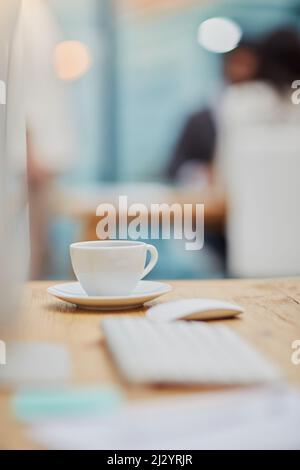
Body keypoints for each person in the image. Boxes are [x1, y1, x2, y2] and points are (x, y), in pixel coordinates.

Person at [24, 0, 74, 279]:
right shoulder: (19, 14)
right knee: (33, 249)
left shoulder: (39, 13)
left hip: (44, 155)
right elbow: (16, 87)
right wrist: (29, 149)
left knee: (43, 247)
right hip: (32, 160)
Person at [167, 41, 260, 182]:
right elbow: (173, 167)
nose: (241, 71)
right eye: (236, 63)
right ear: (224, 65)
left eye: (247, 65)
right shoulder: (199, 119)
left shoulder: (263, 112)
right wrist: (201, 172)